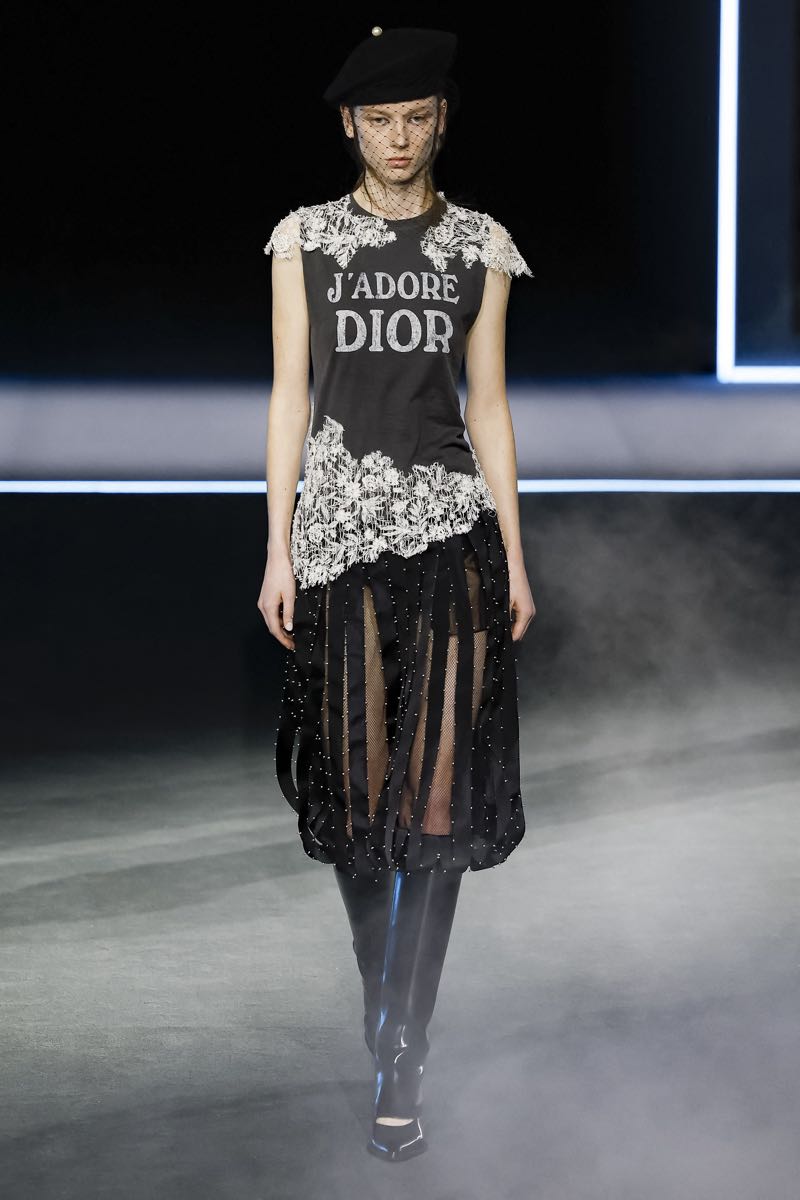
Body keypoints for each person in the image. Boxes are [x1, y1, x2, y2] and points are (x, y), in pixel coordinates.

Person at [258, 25, 536, 1162]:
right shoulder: (304, 242)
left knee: (434, 810)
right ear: (349, 126)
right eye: (379, 121)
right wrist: (275, 548)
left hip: (450, 539)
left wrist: (515, 554)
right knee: (362, 806)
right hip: (336, 543)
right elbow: (290, 396)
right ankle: (387, 999)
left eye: (416, 118)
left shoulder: (480, 245)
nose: (399, 138)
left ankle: (402, 1050)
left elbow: (487, 406)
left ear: (440, 119)